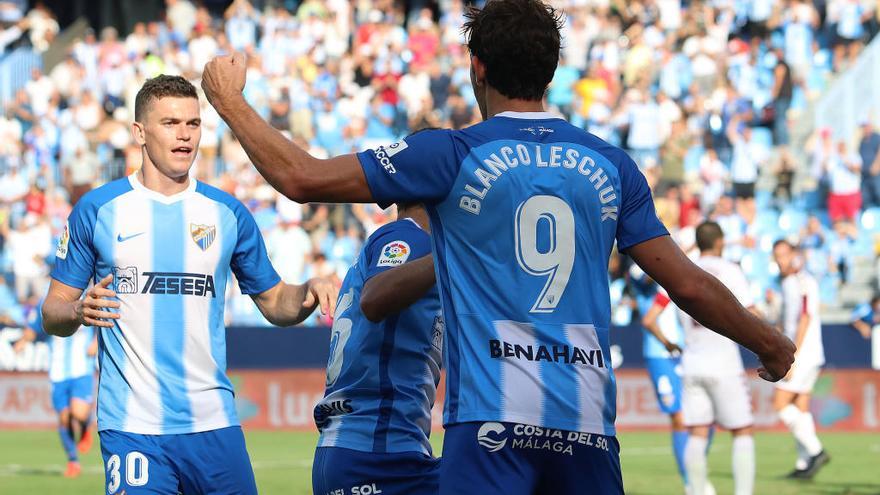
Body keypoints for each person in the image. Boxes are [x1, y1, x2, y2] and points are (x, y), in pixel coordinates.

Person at [201, 1, 795, 492]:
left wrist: (228, 100)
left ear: (476, 68)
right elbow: (686, 284)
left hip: (490, 429)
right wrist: (766, 340)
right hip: (585, 427)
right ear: (553, 70)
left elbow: (301, 178)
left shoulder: (452, 154)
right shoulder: (611, 166)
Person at [41, 75, 337, 495]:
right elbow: (52, 312)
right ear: (139, 133)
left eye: (193, 124)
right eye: (170, 123)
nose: (184, 134)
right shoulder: (98, 209)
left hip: (214, 423)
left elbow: (275, 302)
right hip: (132, 428)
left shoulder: (227, 213)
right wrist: (76, 310)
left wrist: (305, 291)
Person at [313, 201, 442, 495]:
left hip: (361, 451)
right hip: (378, 455)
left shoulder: (406, 242)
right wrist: (454, 254)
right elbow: (375, 298)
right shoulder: (409, 238)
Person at [677, 222, 756, 495]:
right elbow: (749, 312)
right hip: (723, 361)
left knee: (697, 433)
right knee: (742, 431)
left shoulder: (684, 270)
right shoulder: (730, 271)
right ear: (720, 241)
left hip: (692, 361)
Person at [14, 298, 97, 478]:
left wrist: (96, 342)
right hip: (58, 371)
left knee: (79, 413)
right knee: (64, 418)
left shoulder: (88, 297)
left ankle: (85, 426)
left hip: (81, 368)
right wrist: (22, 342)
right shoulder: (47, 301)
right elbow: (34, 328)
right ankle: (73, 461)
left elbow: (103, 322)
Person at [771, 240, 830, 479]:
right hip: (809, 353)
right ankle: (804, 464)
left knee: (780, 403)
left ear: (794, 255)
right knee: (800, 406)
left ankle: (816, 451)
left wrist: (792, 355)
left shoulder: (802, 282)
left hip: (803, 353)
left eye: (784, 255)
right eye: (777, 256)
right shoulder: (788, 283)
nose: (780, 260)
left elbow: (805, 318)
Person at [640, 286, 692, 492]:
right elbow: (648, 320)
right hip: (660, 355)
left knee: (701, 417)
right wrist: (667, 343)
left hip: (686, 353)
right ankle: (691, 483)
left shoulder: (678, 282)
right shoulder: (641, 276)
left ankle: (696, 472)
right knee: (678, 417)